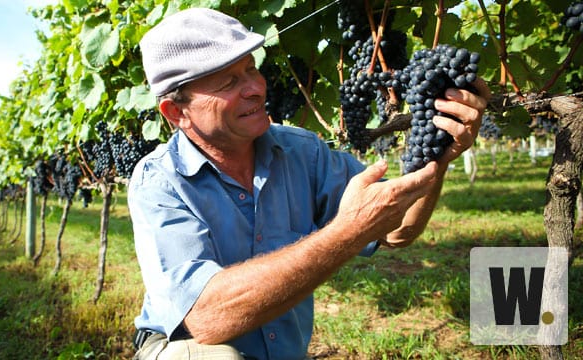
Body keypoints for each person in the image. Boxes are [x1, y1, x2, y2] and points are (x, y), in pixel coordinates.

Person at [128, 7, 490, 360]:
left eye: (252, 70)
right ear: (177, 113)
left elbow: (396, 231)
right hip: (183, 346)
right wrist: (349, 230)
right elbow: (207, 319)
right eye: (229, 83)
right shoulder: (159, 181)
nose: (255, 88)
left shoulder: (303, 152)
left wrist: (438, 155)